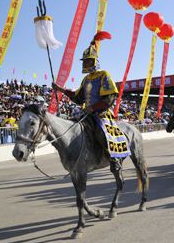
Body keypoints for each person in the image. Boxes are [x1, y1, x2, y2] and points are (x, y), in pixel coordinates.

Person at [52, 31, 130, 172]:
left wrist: (93, 108)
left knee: (101, 134)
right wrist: (61, 89)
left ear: (94, 61)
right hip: (86, 113)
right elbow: (78, 97)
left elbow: (110, 99)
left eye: (88, 60)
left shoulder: (105, 76)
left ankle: (114, 158)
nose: (85, 63)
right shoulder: (86, 80)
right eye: (84, 61)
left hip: (101, 114)